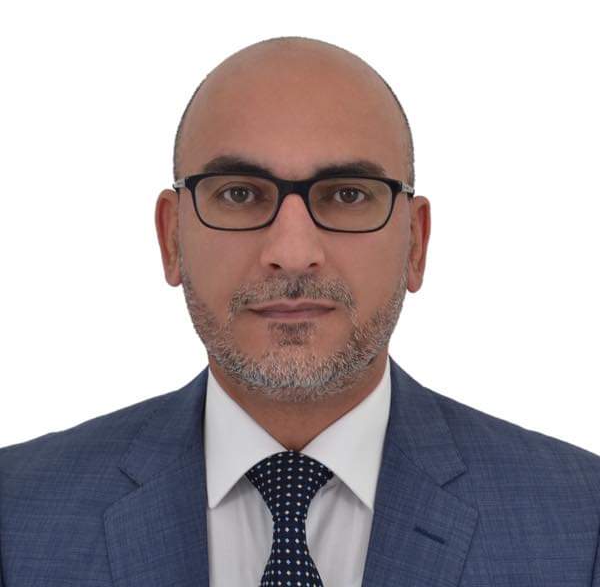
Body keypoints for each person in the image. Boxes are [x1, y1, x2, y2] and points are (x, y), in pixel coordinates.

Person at [0, 36, 599, 587]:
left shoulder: (581, 524)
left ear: (415, 244)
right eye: (239, 193)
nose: (291, 253)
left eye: (347, 194)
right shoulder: (16, 514)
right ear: (171, 238)